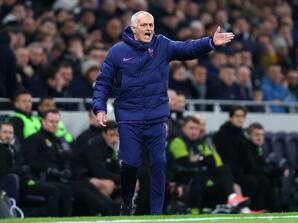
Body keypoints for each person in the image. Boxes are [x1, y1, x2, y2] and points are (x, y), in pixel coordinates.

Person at [92, 11, 235, 215]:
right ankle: (126, 202)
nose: (149, 28)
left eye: (151, 24)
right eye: (144, 25)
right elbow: (103, 82)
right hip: (129, 117)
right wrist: (99, 107)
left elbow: (186, 48)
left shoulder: (162, 45)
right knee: (130, 163)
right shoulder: (117, 52)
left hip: (156, 117)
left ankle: (157, 212)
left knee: (159, 163)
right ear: (133, 29)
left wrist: (210, 42)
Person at [0, 121, 72, 217]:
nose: (8, 135)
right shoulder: (3, 149)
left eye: (10, 133)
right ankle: (53, 220)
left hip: (27, 180)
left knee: (64, 189)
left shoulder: (15, 147)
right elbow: (4, 170)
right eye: (5, 132)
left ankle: (66, 219)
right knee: (53, 191)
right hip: (15, 183)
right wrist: (20, 169)